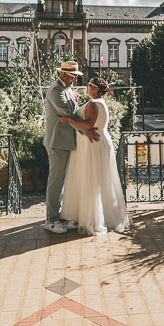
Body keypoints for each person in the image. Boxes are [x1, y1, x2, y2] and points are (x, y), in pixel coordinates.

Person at [58, 77, 131, 235]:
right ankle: (101, 215)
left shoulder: (93, 103)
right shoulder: (100, 102)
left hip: (92, 143)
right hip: (100, 141)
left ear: (96, 89)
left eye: (89, 85)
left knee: (91, 179)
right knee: (101, 180)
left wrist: (68, 119)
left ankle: (92, 218)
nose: (86, 86)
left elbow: (89, 124)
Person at [43, 60, 99, 234]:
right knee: (56, 181)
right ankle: (50, 219)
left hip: (65, 141)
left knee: (62, 180)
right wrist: (86, 131)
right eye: (73, 76)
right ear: (63, 75)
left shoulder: (66, 89)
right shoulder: (56, 91)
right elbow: (68, 115)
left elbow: (73, 113)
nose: (75, 80)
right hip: (57, 142)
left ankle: (59, 216)